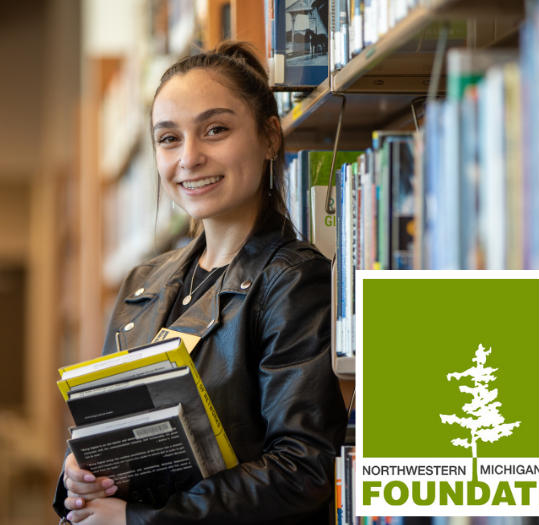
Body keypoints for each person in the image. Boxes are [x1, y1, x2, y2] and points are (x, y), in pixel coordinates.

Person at [53, 41, 347, 524]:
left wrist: (138, 520)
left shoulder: (293, 281)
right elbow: (110, 435)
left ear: (270, 137)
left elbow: (302, 470)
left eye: (215, 130)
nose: (189, 158)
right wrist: (80, 474)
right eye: (169, 139)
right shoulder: (143, 283)